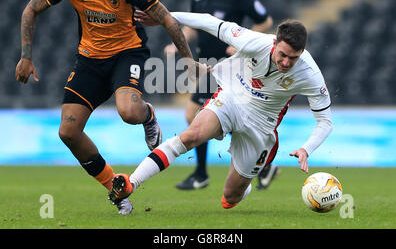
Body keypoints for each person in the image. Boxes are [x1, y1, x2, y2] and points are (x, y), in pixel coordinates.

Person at [15, 0, 201, 215]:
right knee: (68, 132)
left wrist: (189, 61)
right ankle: (117, 189)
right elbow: (31, 9)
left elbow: (168, 19)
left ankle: (147, 115)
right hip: (89, 61)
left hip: (127, 55)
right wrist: (26, 56)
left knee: (128, 111)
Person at [108, 12, 333, 211]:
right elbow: (208, 21)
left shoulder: (310, 75)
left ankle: (242, 187)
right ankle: (131, 183)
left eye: (292, 58)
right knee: (191, 136)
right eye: (282, 54)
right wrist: (163, 16)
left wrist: (306, 149)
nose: (285, 62)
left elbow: (325, 122)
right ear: (275, 43)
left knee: (230, 198)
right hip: (232, 97)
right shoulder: (255, 42)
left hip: (261, 124)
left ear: (302, 52)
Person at [162, 0, 275, 191]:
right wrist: (177, 44)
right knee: (204, 116)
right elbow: (192, 27)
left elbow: (265, 20)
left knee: (199, 116)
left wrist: (244, 46)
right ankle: (260, 164)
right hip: (208, 67)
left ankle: (204, 173)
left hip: (232, 68)